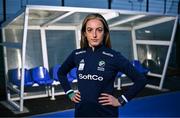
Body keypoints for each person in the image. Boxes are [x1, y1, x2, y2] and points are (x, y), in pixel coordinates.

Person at [58, 13, 147, 117]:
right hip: (81, 113)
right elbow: (61, 73)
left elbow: (141, 79)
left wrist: (121, 100)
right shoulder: (77, 54)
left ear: (105, 33)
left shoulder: (114, 56)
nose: (94, 35)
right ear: (84, 33)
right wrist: (69, 92)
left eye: (99, 30)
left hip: (106, 114)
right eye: (90, 30)